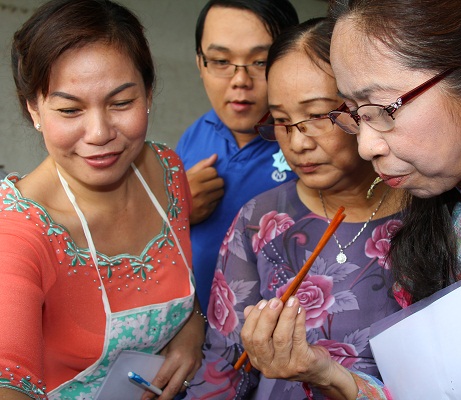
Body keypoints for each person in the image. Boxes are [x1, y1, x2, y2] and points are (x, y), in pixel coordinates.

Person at [239, 0, 461, 399]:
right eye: (355, 113)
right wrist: (325, 372)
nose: (365, 146)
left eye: (381, 109)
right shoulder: (437, 226)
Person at [182, 17, 404, 399]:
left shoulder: (433, 213)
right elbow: (223, 364)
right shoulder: (260, 220)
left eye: (317, 117)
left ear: (362, 106)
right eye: (281, 121)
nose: (297, 143)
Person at [0, 1, 205, 399]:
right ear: (34, 108)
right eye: (69, 109)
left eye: (121, 103)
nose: (99, 133)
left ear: (148, 93)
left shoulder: (166, 171)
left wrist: (191, 326)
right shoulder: (17, 233)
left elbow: (181, 281)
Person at [175, 0, 299, 314]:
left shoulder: (308, 146)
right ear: (200, 64)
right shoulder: (195, 135)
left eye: (260, 62)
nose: (240, 79)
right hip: (195, 331)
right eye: (221, 61)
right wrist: (175, 207)